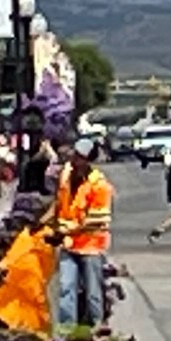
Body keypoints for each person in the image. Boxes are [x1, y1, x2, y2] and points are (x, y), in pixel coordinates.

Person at [51, 138, 114, 329]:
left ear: (88, 160)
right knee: (66, 287)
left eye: (80, 157)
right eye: (75, 155)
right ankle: (67, 329)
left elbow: (96, 221)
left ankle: (97, 327)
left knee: (93, 290)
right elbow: (59, 205)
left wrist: (66, 231)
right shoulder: (66, 176)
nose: (75, 160)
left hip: (90, 245)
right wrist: (49, 226)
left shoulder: (99, 185)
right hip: (69, 244)